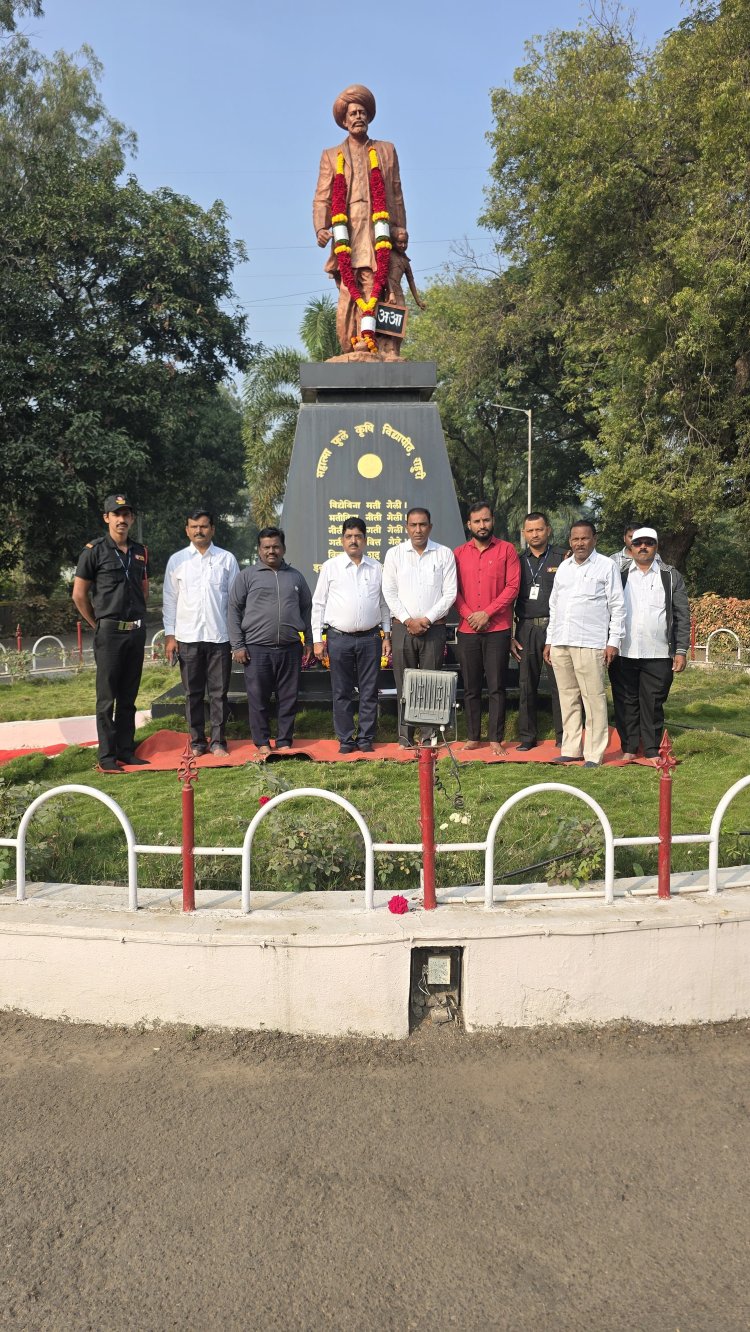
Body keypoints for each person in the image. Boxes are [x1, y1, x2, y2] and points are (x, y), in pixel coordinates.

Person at [313, 83, 408, 355]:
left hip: (380, 226)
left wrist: (400, 228)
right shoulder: (332, 155)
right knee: (350, 287)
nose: (358, 117)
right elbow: (322, 197)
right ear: (344, 120)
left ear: (369, 117)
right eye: (353, 113)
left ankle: (387, 346)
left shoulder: (386, 150)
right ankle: (351, 345)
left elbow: (396, 191)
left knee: (385, 285)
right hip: (348, 228)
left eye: (363, 112)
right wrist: (321, 226)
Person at [72, 492, 149, 773]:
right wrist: (97, 623)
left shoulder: (140, 551)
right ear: (107, 518)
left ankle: (126, 751)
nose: (122, 519)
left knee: (129, 696)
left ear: (132, 518)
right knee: (107, 698)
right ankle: (107, 756)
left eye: (126, 514)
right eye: (116, 514)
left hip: (135, 632)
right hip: (110, 633)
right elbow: (79, 594)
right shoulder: (94, 550)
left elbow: (143, 587)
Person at [543, 520, 625, 769]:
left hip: (591, 642)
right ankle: (570, 748)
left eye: (585, 538)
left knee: (593, 698)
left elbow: (617, 606)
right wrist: (550, 640)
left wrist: (613, 642)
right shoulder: (564, 568)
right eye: (575, 539)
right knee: (567, 697)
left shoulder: (606, 566)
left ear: (594, 539)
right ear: (570, 541)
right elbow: (554, 607)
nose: (580, 543)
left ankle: (594, 753)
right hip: (561, 641)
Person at [227, 528, 313, 757]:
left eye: (275, 546)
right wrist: (238, 645)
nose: (271, 551)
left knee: (288, 697)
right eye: (266, 547)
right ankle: (262, 742)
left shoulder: (295, 576)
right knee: (258, 698)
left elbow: (307, 609)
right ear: (259, 550)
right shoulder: (247, 576)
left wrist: (310, 642)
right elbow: (234, 610)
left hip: (290, 647)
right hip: (256, 649)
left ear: (283, 549)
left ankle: (284, 740)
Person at [609, 526, 690, 764]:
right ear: (630, 546)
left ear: (656, 546)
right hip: (623, 651)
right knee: (625, 702)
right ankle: (630, 747)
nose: (643, 547)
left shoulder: (670, 575)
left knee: (653, 702)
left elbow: (682, 615)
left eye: (648, 543)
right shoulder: (618, 573)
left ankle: (652, 748)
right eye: (638, 543)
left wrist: (681, 650)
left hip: (659, 652)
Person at [162, 509, 240, 757]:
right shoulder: (177, 561)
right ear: (187, 530)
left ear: (212, 529)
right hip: (188, 639)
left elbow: (235, 601)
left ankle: (218, 741)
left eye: (204, 526)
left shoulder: (227, 559)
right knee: (193, 694)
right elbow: (169, 600)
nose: (199, 531)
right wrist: (171, 636)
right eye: (194, 527)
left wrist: (236, 638)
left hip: (219, 638)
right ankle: (197, 741)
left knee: (219, 693)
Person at [312, 518, 391, 754]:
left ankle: (366, 738)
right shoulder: (330, 567)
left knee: (369, 690)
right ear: (342, 540)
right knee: (341, 690)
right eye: (349, 536)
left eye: (358, 536)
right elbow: (318, 604)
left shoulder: (376, 568)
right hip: (339, 638)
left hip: (370, 638)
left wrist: (386, 635)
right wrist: (317, 639)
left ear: (365, 540)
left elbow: (384, 605)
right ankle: (346, 739)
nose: (353, 540)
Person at [382, 507, 457, 747]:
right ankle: (405, 736)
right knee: (404, 682)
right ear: (406, 527)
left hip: (433, 628)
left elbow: (450, 593)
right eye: (413, 525)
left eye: (422, 525)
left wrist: (427, 619)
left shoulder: (443, 554)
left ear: (430, 527)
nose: (418, 530)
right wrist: (407, 620)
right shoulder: (394, 554)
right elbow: (389, 593)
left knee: (430, 683)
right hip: (403, 628)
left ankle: (428, 736)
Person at [453, 502, 520, 755]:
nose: (482, 525)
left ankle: (495, 738)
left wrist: (487, 613)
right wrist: (470, 615)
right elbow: (453, 591)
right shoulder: (458, 553)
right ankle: (473, 736)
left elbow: (512, 587)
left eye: (486, 520)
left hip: (497, 629)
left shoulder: (507, 550)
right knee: (470, 687)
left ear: (493, 521)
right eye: (477, 521)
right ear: (469, 525)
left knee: (496, 686)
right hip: (468, 629)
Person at [511, 512, 568, 751]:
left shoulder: (563, 557)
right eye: (530, 530)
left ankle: (564, 736)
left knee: (560, 684)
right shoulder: (516, 560)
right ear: (524, 534)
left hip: (555, 627)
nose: (535, 534)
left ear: (548, 530)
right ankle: (527, 737)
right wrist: (510, 635)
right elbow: (508, 598)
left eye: (539, 529)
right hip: (526, 628)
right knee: (526, 684)